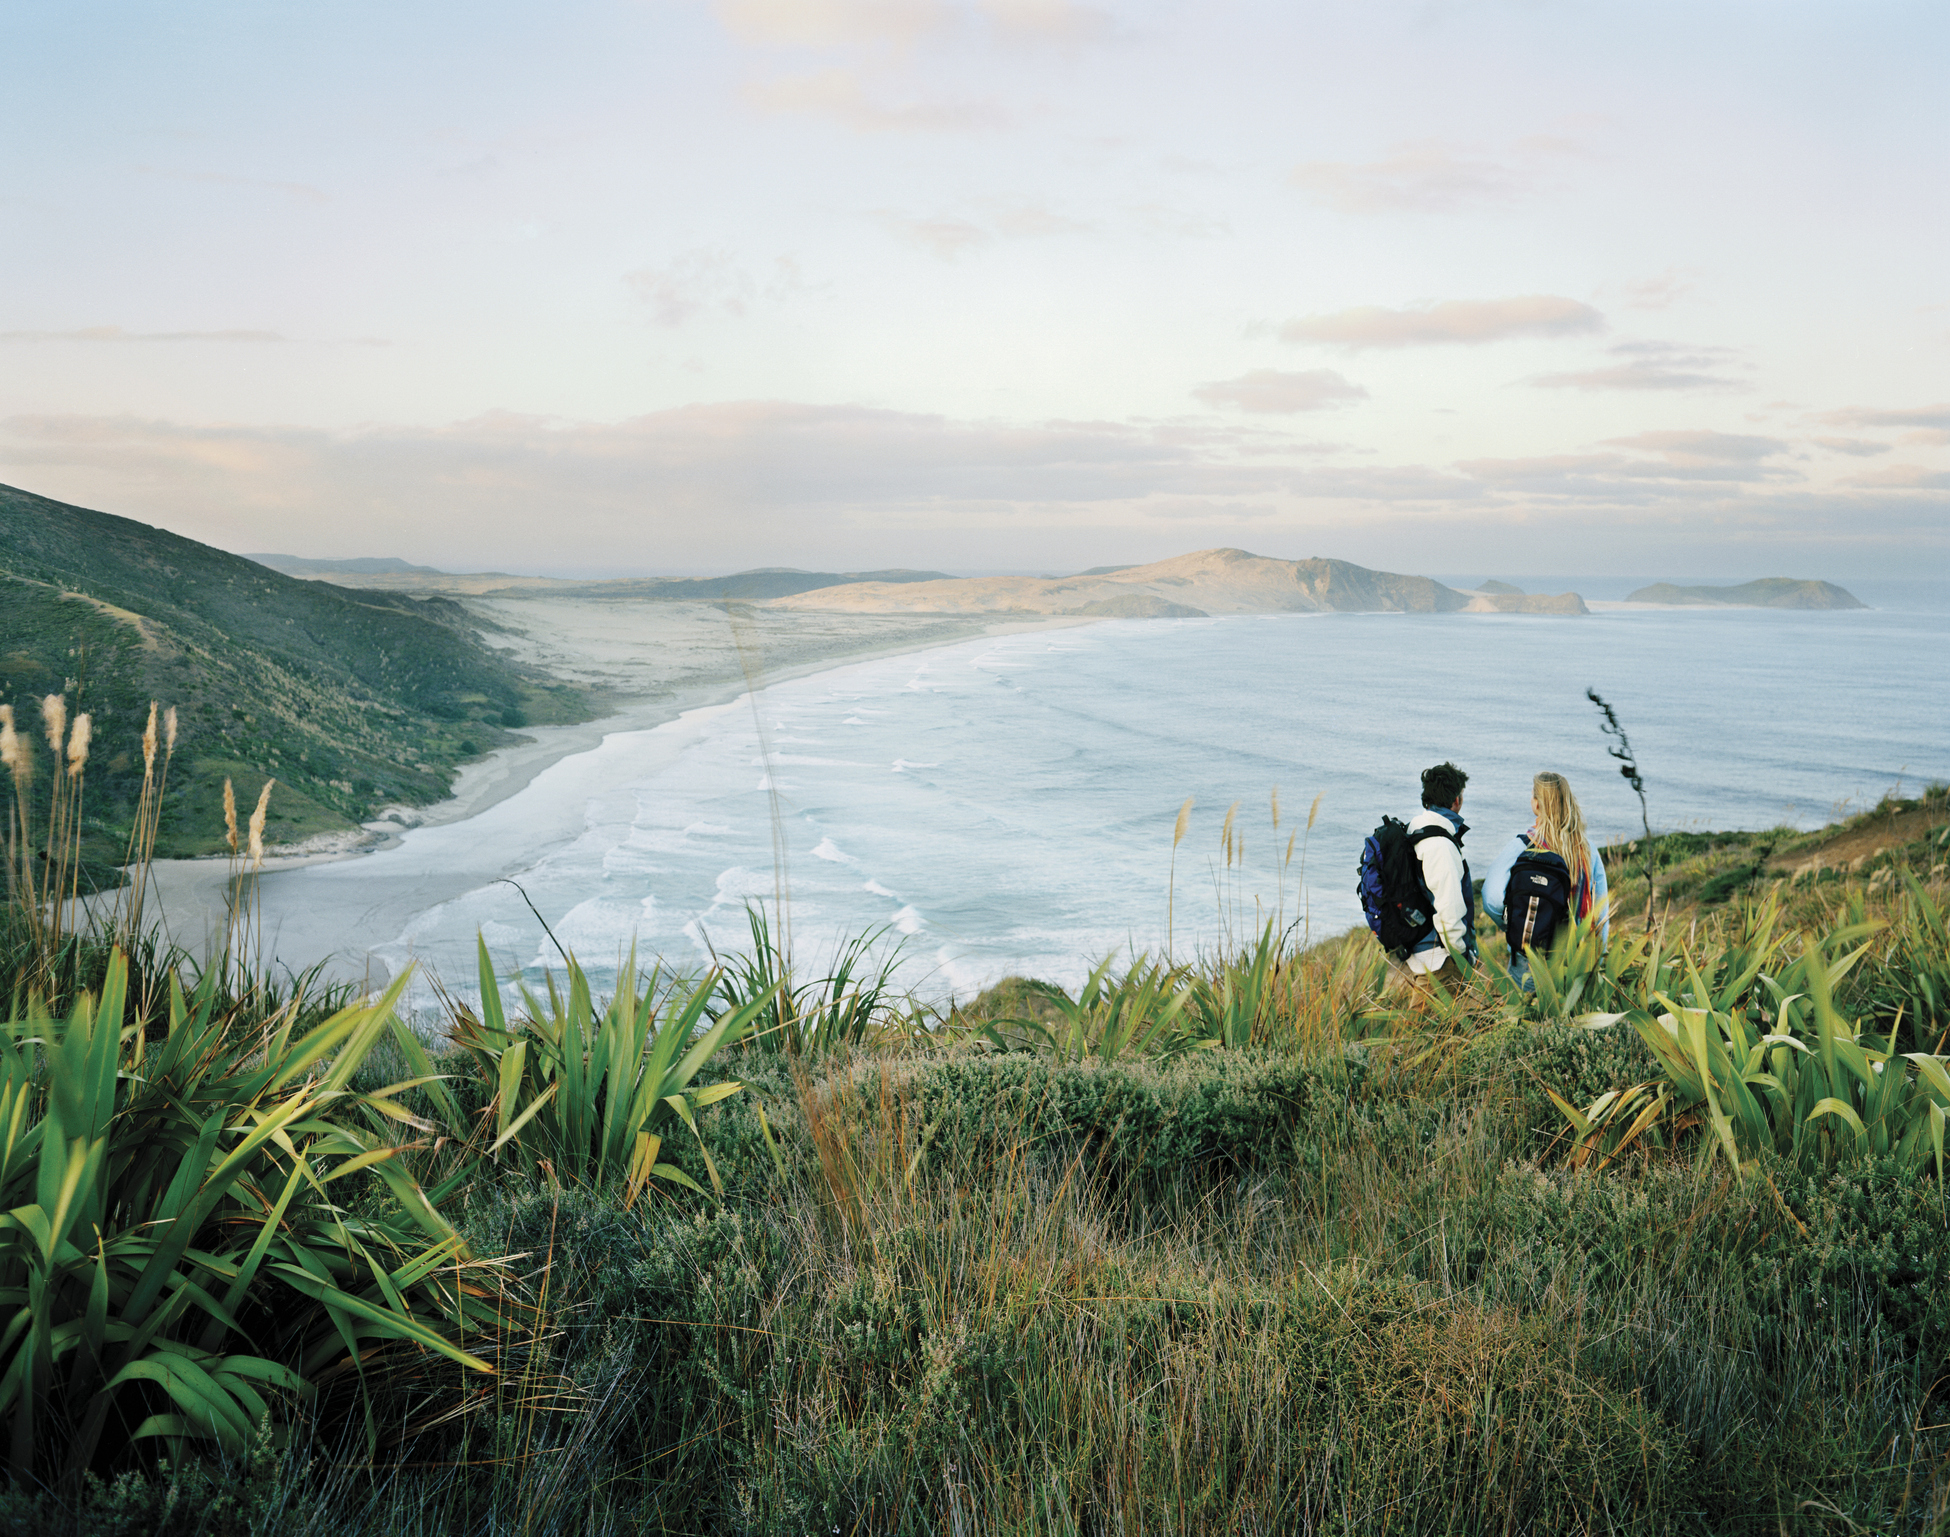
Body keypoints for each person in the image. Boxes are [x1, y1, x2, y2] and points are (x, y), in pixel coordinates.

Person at [1482, 771, 1610, 991]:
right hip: (1575, 961)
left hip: (1530, 960)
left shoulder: (1523, 846)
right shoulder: (1587, 850)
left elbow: (1492, 898)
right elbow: (1600, 913)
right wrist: (1597, 959)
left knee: (1526, 1021)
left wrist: (1515, 923)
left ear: (1537, 805)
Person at [1398, 760, 1478, 988]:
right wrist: (1461, 952)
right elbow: (1449, 906)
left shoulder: (1415, 828)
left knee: (1435, 1023)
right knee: (1421, 1023)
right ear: (1457, 800)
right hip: (1440, 957)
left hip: (1421, 945)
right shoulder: (1440, 845)